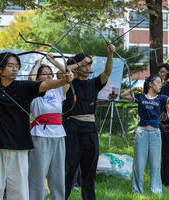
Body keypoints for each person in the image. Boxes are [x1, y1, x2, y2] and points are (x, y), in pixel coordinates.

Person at [0, 52, 73, 200]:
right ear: (0, 69)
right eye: (10, 66)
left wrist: (64, 80)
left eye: (17, 66)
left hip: (19, 147)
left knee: (19, 192)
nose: (15, 69)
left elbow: (46, 84)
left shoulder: (24, 87)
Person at [121, 74, 169, 194]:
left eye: (161, 82)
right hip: (142, 133)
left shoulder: (161, 98)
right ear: (150, 84)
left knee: (155, 164)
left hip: (155, 133)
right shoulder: (140, 97)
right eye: (158, 82)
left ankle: (156, 190)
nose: (160, 84)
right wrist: (135, 88)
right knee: (139, 164)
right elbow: (123, 95)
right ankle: (137, 191)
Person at [28, 54, 85, 200]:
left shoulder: (58, 90)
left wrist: (54, 62)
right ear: (38, 77)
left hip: (58, 135)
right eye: (44, 74)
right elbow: (31, 79)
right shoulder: (34, 91)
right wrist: (37, 63)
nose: (48, 77)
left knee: (58, 173)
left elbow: (66, 74)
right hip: (40, 135)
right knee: (38, 174)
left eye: (50, 74)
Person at [63, 44, 115, 200]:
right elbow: (64, 71)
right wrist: (79, 63)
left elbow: (107, 72)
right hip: (72, 129)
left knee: (89, 171)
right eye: (85, 64)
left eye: (90, 64)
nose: (88, 67)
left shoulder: (93, 83)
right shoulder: (67, 82)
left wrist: (110, 54)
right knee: (69, 169)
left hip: (90, 130)